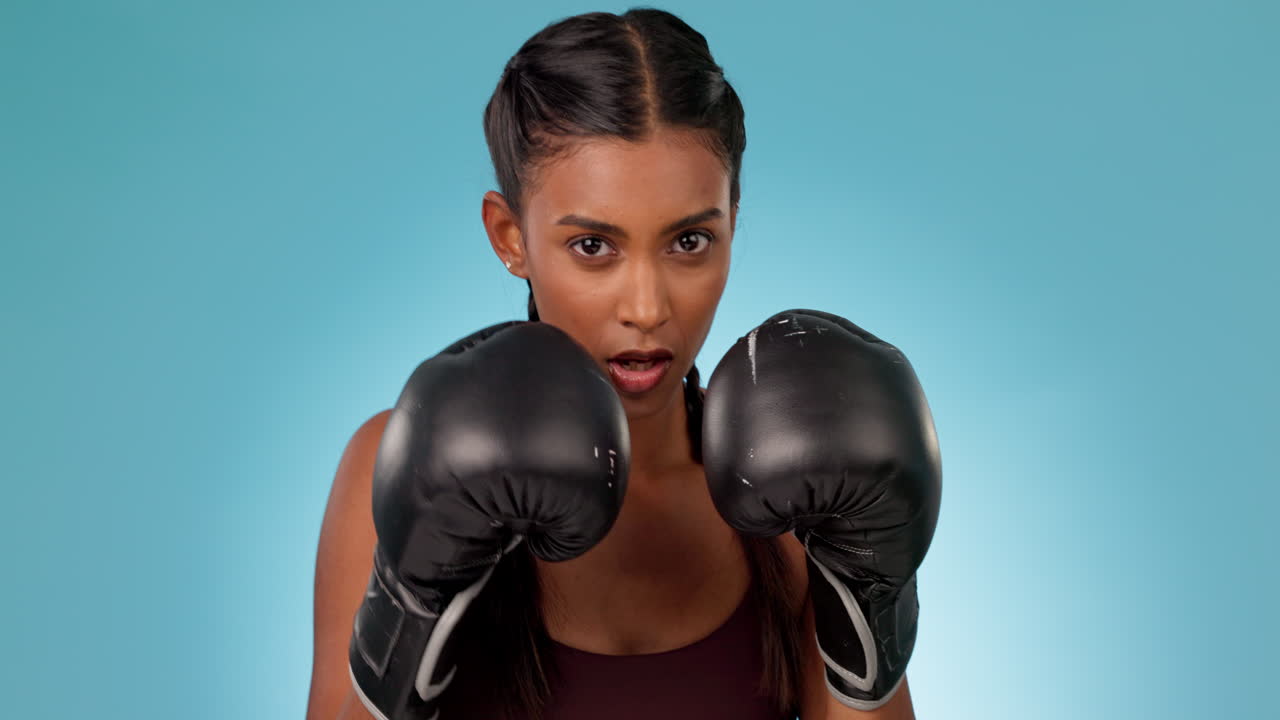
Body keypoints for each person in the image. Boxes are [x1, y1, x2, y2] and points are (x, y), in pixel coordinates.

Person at [307, 9, 940, 720]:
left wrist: (873, 604)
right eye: (593, 247)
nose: (646, 307)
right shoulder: (394, 465)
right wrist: (410, 607)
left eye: (690, 241)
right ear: (509, 236)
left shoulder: (799, 495)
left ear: (734, 221)